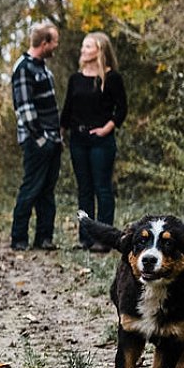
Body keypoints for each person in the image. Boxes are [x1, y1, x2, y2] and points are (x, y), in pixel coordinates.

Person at [60, 31, 127, 253]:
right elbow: (68, 108)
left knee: (102, 188)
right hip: (78, 141)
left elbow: (122, 109)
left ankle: (104, 239)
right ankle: (85, 238)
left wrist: (107, 127)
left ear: (100, 50)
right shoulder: (75, 79)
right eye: (83, 46)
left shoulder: (112, 78)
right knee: (84, 190)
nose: (83, 50)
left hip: (101, 141)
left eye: (88, 46)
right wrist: (61, 132)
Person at [10, 22, 63, 251]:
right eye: (54, 42)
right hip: (37, 141)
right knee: (31, 188)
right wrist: (42, 140)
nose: (57, 46)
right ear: (44, 44)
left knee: (47, 192)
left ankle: (44, 238)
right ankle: (19, 238)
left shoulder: (44, 69)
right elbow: (25, 109)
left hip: (52, 140)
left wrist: (55, 138)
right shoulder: (24, 68)